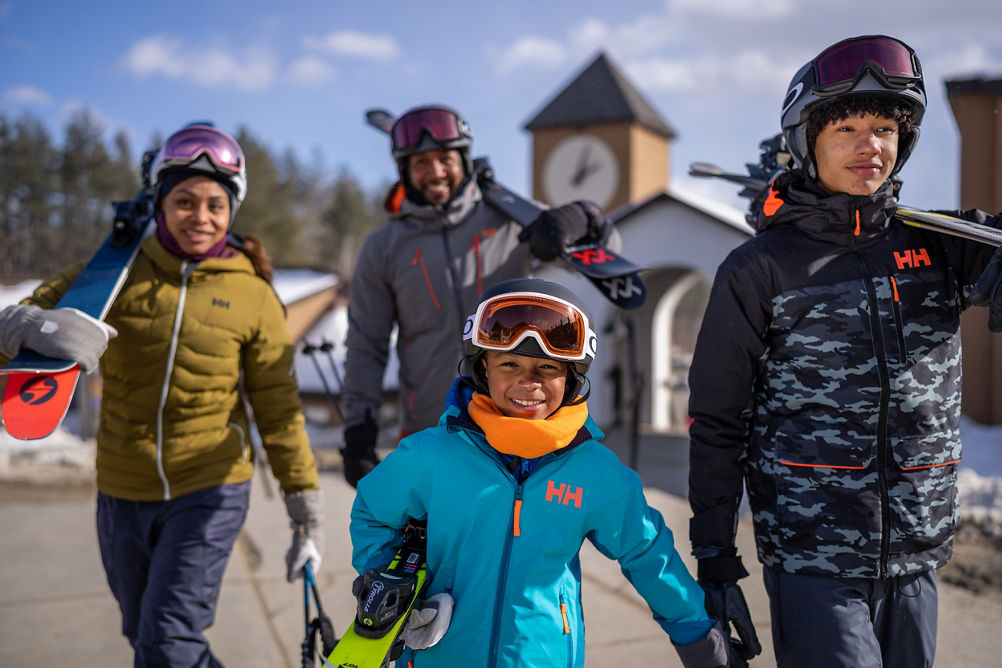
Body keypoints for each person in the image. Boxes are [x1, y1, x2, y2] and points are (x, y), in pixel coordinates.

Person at [687, 34, 1002, 668]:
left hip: (917, 550)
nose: (870, 146)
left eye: (885, 128)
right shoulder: (760, 268)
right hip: (814, 558)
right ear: (808, 141)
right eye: (847, 129)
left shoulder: (942, 244)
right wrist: (714, 555)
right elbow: (718, 419)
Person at [0, 123, 325, 667]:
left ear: (232, 211)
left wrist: (304, 510)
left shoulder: (253, 294)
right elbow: (12, 325)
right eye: (185, 201)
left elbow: (279, 409)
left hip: (211, 486)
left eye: (215, 205)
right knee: (144, 634)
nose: (201, 217)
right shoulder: (112, 276)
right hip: (122, 486)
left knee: (168, 642)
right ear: (160, 205)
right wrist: (36, 329)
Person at [349, 278, 730, 667]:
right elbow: (372, 512)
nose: (528, 382)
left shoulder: (593, 471)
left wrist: (700, 639)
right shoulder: (430, 455)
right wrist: (389, 587)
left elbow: (648, 553)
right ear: (482, 368)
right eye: (509, 364)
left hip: (542, 656)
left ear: (571, 377)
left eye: (547, 367)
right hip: (441, 655)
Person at [341, 104, 615, 487]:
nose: (435, 171)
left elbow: (606, 258)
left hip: (518, 429)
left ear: (464, 161)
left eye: (445, 159)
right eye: (421, 163)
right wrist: (358, 429)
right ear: (404, 171)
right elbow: (366, 345)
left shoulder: (509, 223)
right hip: (432, 432)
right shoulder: (384, 247)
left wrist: (586, 220)